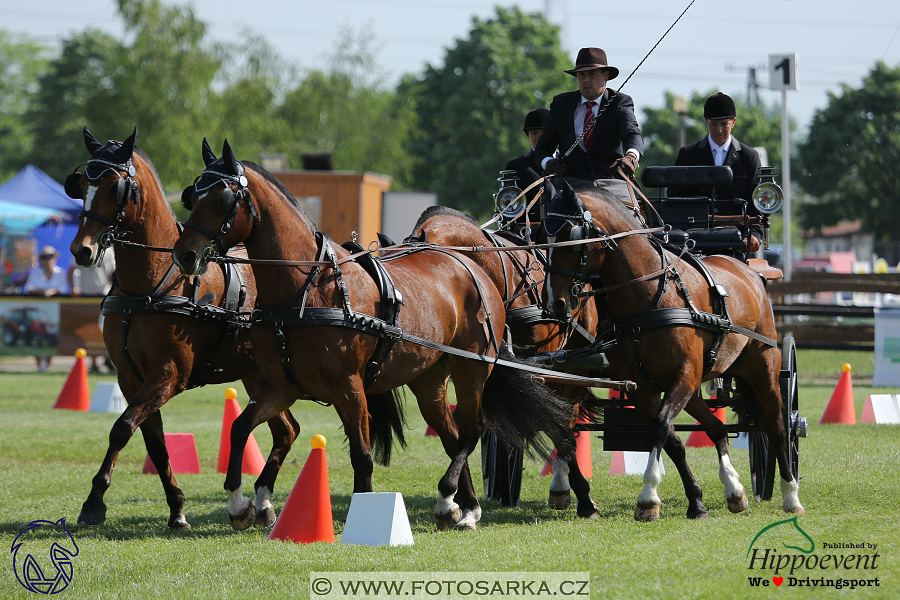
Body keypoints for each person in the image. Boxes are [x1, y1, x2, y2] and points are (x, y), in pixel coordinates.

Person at [535, 47, 644, 194]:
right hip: (569, 183)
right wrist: (547, 162)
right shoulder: (561, 104)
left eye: (592, 74)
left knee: (632, 216)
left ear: (606, 76)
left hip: (611, 182)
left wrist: (631, 156)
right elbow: (543, 147)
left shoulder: (619, 102)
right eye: (581, 75)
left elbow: (633, 134)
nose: (586, 80)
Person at [674, 92, 763, 253]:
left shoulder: (749, 157)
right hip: (695, 240)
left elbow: (756, 204)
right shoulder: (688, 155)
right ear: (706, 122)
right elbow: (675, 197)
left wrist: (754, 236)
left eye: (724, 123)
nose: (719, 129)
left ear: (734, 122)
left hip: (737, 241)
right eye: (713, 124)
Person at [22, 246, 68, 372]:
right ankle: (38, 365)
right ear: (41, 260)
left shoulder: (61, 273)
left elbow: (63, 289)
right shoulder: (35, 273)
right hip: (37, 311)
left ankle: (47, 365)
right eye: (45, 258)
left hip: (54, 311)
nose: (48, 260)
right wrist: (41, 291)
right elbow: (28, 288)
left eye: (50, 257)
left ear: (54, 259)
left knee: (51, 338)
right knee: (35, 336)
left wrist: (52, 292)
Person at [68, 255, 116, 373]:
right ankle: (93, 363)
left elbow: (113, 273)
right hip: (87, 296)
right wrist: (73, 287)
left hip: (105, 295)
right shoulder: (86, 250)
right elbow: (71, 270)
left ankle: (109, 359)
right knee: (90, 331)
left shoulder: (109, 252)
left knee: (107, 329)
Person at [504, 107, 550, 224]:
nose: (539, 137)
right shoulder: (516, 167)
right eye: (534, 133)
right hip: (528, 233)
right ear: (528, 136)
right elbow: (507, 208)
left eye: (543, 132)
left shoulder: (567, 163)